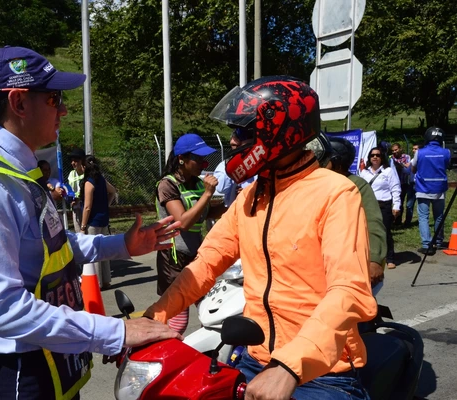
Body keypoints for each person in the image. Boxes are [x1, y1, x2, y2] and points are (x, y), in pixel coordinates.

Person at [0, 46, 182, 400]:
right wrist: (117, 332)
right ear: (19, 103)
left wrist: (122, 245)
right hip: (18, 373)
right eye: (54, 98)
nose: (64, 109)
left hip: (46, 357)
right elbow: (3, 309)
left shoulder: (16, 168)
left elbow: (53, 245)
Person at [145, 76, 377, 400]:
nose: (234, 140)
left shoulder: (335, 193)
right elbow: (206, 263)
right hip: (256, 360)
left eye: (243, 131)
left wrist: (289, 367)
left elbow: (349, 289)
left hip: (321, 372)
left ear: (279, 132)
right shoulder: (250, 197)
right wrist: (153, 317)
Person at [155, 133, 226, 334]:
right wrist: (207, 194)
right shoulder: (167, 185)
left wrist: (232, 202)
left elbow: (205, 213)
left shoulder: (196, 182)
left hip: (196, 256)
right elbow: (183, 222)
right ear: (181, 159)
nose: (203, 164)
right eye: (197, 159)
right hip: (174, 259)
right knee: (178, 319)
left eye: (205, 159)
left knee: (210, 310)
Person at [325, 136, 387, 289]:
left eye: (323, 157)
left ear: (336, 162)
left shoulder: (357, 185)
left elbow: (373, 223)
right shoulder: (317, 182)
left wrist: (374, 260)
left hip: (349, 265)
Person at [359, 147, 401, 270]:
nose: (375, 157)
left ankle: (390, 258)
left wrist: (396, 205)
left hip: (384, 206)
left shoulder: (388, 171)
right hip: (367, 206)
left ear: (382, 157)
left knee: (385, 232)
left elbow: (396, 188)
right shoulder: (364, 173)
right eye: (372, 155)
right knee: (367, 232)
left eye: (377, 155)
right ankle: (371, 257)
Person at [79, 155, 118, 289]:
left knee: (94, 251)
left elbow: (87, 206)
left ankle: (97, 282)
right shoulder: (101, 179)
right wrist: (106, 205)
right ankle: (106, 280)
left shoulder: (89, 182)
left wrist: (83, 226)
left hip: (93, 221)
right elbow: (113, 192)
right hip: (104, 219)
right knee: (104, 249)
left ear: (84, 167)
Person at [412, 127, 452, 255]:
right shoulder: (446, 152)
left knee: (423, 217)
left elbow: (413, 168)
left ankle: (427, 244)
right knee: (439, 216)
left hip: (423, 188)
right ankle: (439, 241)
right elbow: (447, 165)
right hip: (439, 189)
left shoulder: (420, 152)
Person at [214, 127, 257, 207]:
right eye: (233, 145)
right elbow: (221, 188)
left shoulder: (258, 163)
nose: (234, 145)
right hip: (232, 212)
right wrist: (232, 165)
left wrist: (249, 192)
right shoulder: (224, 165)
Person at [391, 143, 415, 226]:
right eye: (393, 150)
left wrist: (400, 165)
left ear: (400, 149)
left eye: (396, 150)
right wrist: (403, 165)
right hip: (394, 183)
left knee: (404, 202)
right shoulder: (391, 158)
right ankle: (396, 220)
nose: (394, 152)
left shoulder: (407, 157)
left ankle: (403, 221)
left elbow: (408, 169)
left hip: (404, 183)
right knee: (396, 202)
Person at [67, 148, 86, 232]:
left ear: (82, 161)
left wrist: (79, 198)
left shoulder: (88, 173)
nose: (73, 163)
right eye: (72, 161)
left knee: (87, 231)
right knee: (78, 232)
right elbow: (69, 189)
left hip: (85, 206)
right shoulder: (71, 173)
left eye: (75, 161)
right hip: (74, 206)